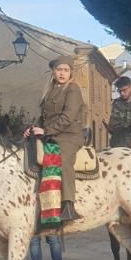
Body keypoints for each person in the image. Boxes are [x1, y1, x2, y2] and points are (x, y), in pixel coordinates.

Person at [25, 55, 88, 224]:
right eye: (59, 70)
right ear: (53, 72)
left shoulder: (72, 89)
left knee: (62, 159)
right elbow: (44, 117)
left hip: (69, 136)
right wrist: (32, 129)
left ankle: (68, 205)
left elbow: (68, 117)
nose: (62, 73)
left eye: (65, 70)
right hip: (50, 134)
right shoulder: (49, 90)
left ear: (70, 73)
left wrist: (45, 131)